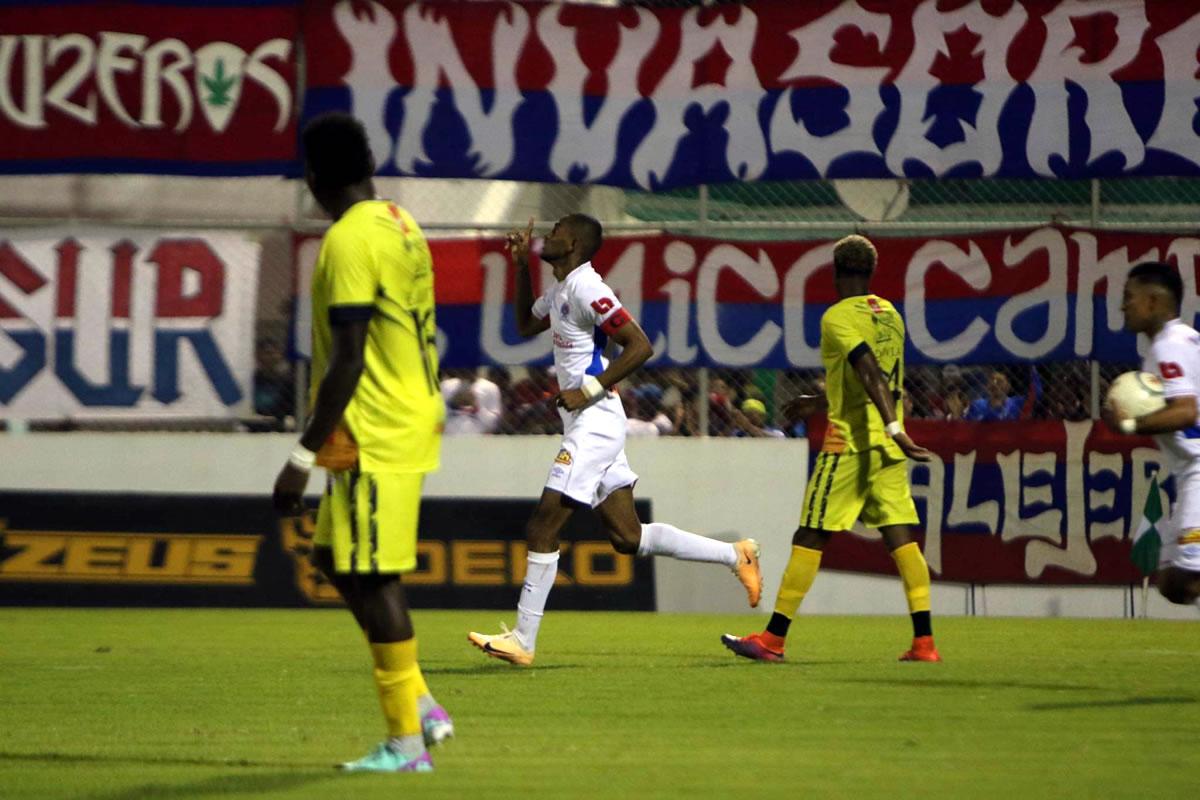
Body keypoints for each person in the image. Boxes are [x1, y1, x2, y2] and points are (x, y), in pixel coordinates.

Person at [467, 215, 763, 666]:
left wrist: (587, 389)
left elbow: (640, 345)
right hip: (589, 423)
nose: (547, 233)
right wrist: (520, 266)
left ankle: (523, 641)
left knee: (543, 525)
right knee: (626, 537)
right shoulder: (564, 289)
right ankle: (734, 554)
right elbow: (527, 325)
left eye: (557, 229)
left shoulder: (589, 288)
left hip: (595, 422)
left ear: (574, 243)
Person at [271, 113, 452, 774]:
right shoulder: (400, 223)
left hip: (375, 425)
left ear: (314, 178)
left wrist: (299, 458)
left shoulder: (347, 242)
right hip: (393, 416)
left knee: (372, 576)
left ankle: (407, 746)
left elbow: (347, 358)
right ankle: (424, 706)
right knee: (337, 557)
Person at [721, 234, 941, 663]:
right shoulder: (890, 315)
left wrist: (897, 428)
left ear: (836, 271)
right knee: (901, 539)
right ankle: (925, 642)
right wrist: (822, 401)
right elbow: (872, 379)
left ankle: (773, 639)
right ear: (871, 272)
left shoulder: (837, 316)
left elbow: (869, 370)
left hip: (850, 444)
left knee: (810, 533)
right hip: (884, 450)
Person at [1104, 261, 1200, 610]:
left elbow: (1187, 411)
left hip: (1199, 471)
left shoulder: (1167, 347)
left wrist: (1130, 424)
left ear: (1154, 302)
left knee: (1189, 576)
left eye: (1129, 297)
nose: (1123, 305)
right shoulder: (1181, 341)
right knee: (1174, 583)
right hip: (1189, 472)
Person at [441, 367, 502, 435]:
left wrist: (476, 407)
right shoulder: (446, 386)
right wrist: (452, 403)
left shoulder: (490, 387)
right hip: (450, 436)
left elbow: (494, 424)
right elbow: (436, 418)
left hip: (478, 438)